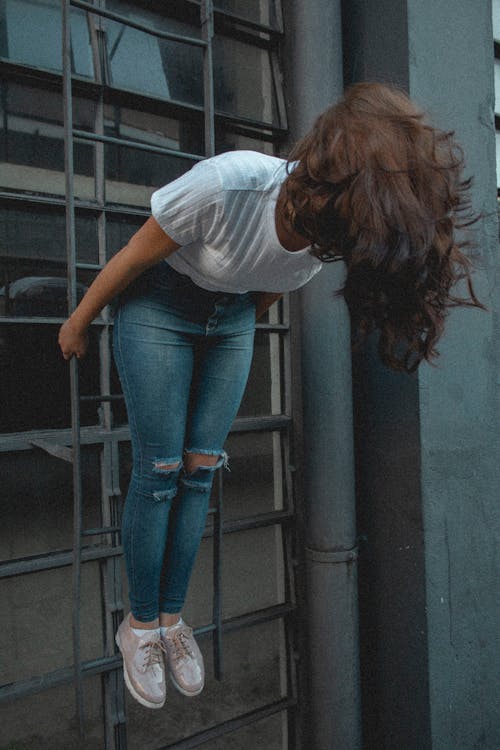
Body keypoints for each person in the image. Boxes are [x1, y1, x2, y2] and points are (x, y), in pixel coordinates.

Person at [58, 82, 483, 709]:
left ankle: (173, 621)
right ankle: (139, 624)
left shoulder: (330, 230)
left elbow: (267, 286)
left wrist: (230, 325)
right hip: (158, 307)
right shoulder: (229, 183)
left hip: (229, 321)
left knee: (200, 473)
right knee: (160, 470)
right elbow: (134, 256)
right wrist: (80, 320)